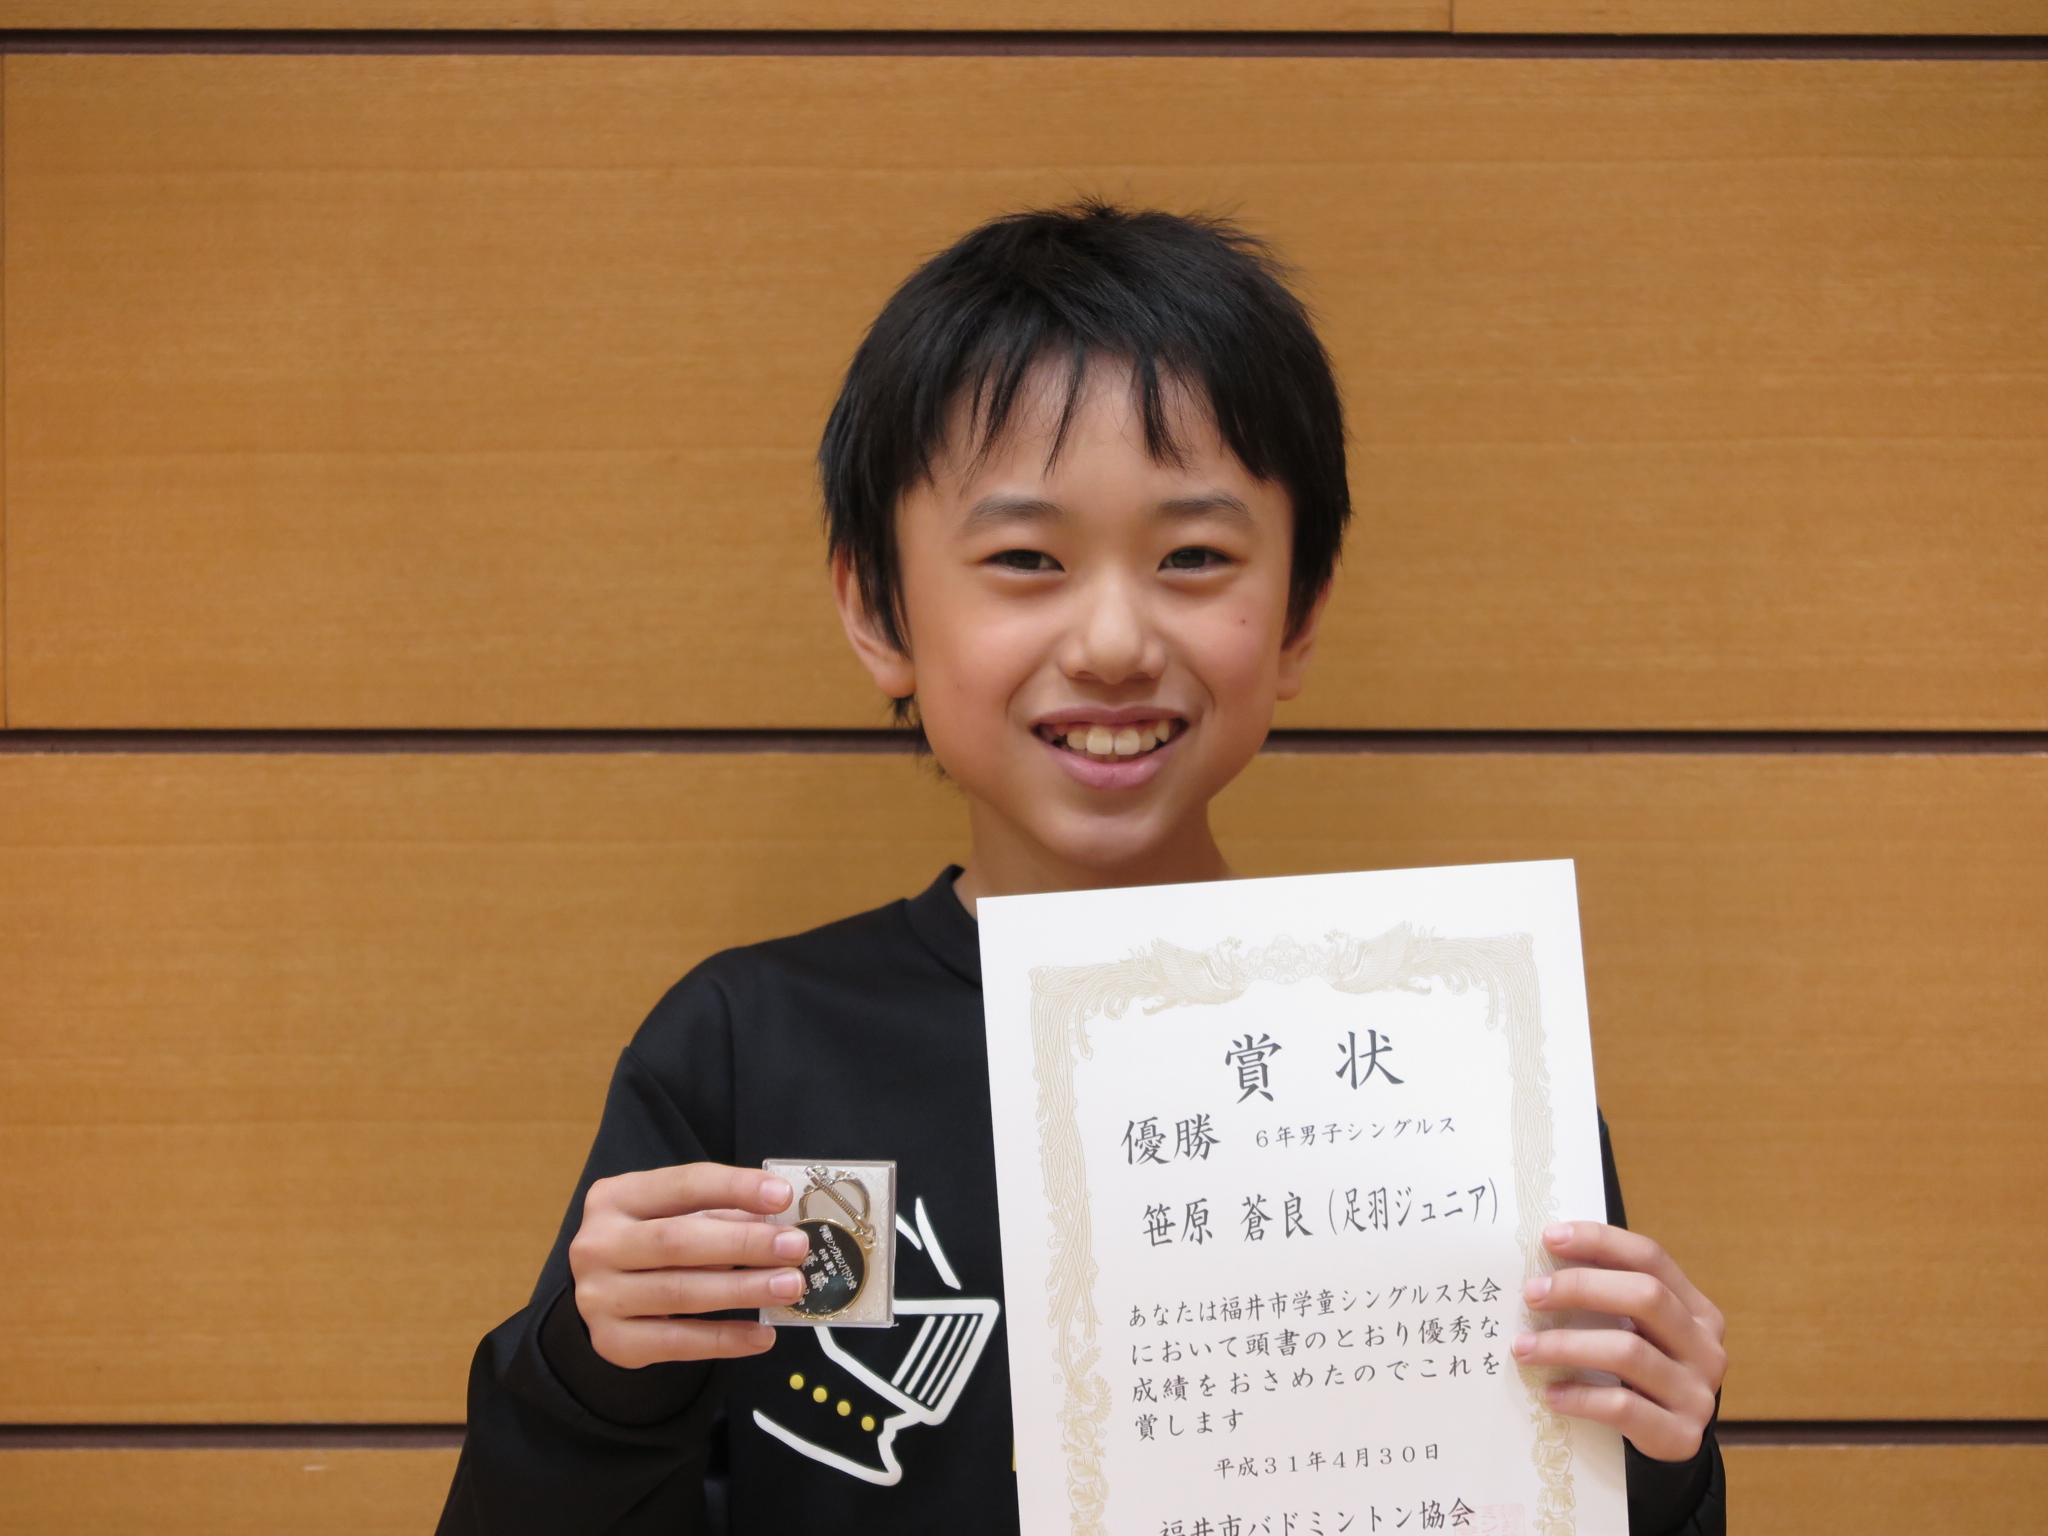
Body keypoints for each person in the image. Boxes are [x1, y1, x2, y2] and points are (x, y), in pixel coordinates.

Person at [437, 201, 1728, 1535]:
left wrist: (1656, 1451)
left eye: (1193, 558)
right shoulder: (749, 1049)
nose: (1113, 640)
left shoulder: (1455, 1058)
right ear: (878, 608)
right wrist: (592, 1372)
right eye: (1026, 560)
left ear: (1299, 614)